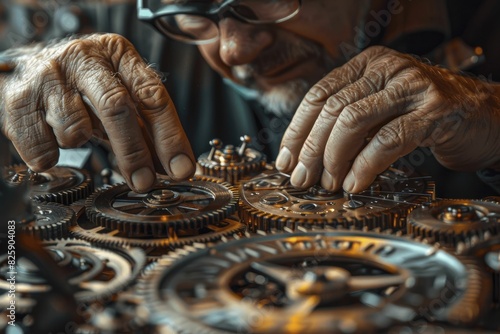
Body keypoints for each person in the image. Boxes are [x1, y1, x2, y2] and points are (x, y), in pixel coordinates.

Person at [1, 0, 500, 198]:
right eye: (196, 10)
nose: (235, 49)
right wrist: (19, 75)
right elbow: (17, 63)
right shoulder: (141, 27)